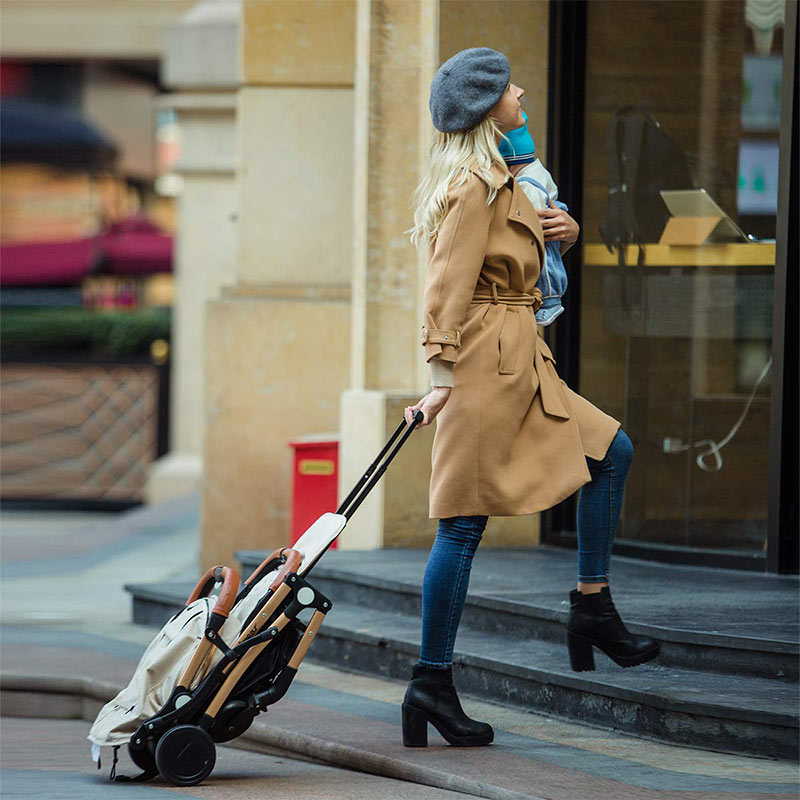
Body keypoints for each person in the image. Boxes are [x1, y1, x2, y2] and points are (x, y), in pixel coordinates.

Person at [401, 47, 661, 749]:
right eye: (508, 87)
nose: (522, 92)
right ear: (488, 108)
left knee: (612, 451)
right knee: (462, 524)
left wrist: (567, 239)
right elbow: (445, 287)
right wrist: (439, 382)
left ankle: (591, 607)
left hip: (524, 357)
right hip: (484, 366)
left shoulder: (505, 177)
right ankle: (431, 681)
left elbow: (521, 263)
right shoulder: (472, 185)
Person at [499, 108, 572, 326]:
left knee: (547, 267)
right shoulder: (536, 173)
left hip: (532, 271)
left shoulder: (526, 185)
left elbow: (530, 232)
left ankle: (549, 302)